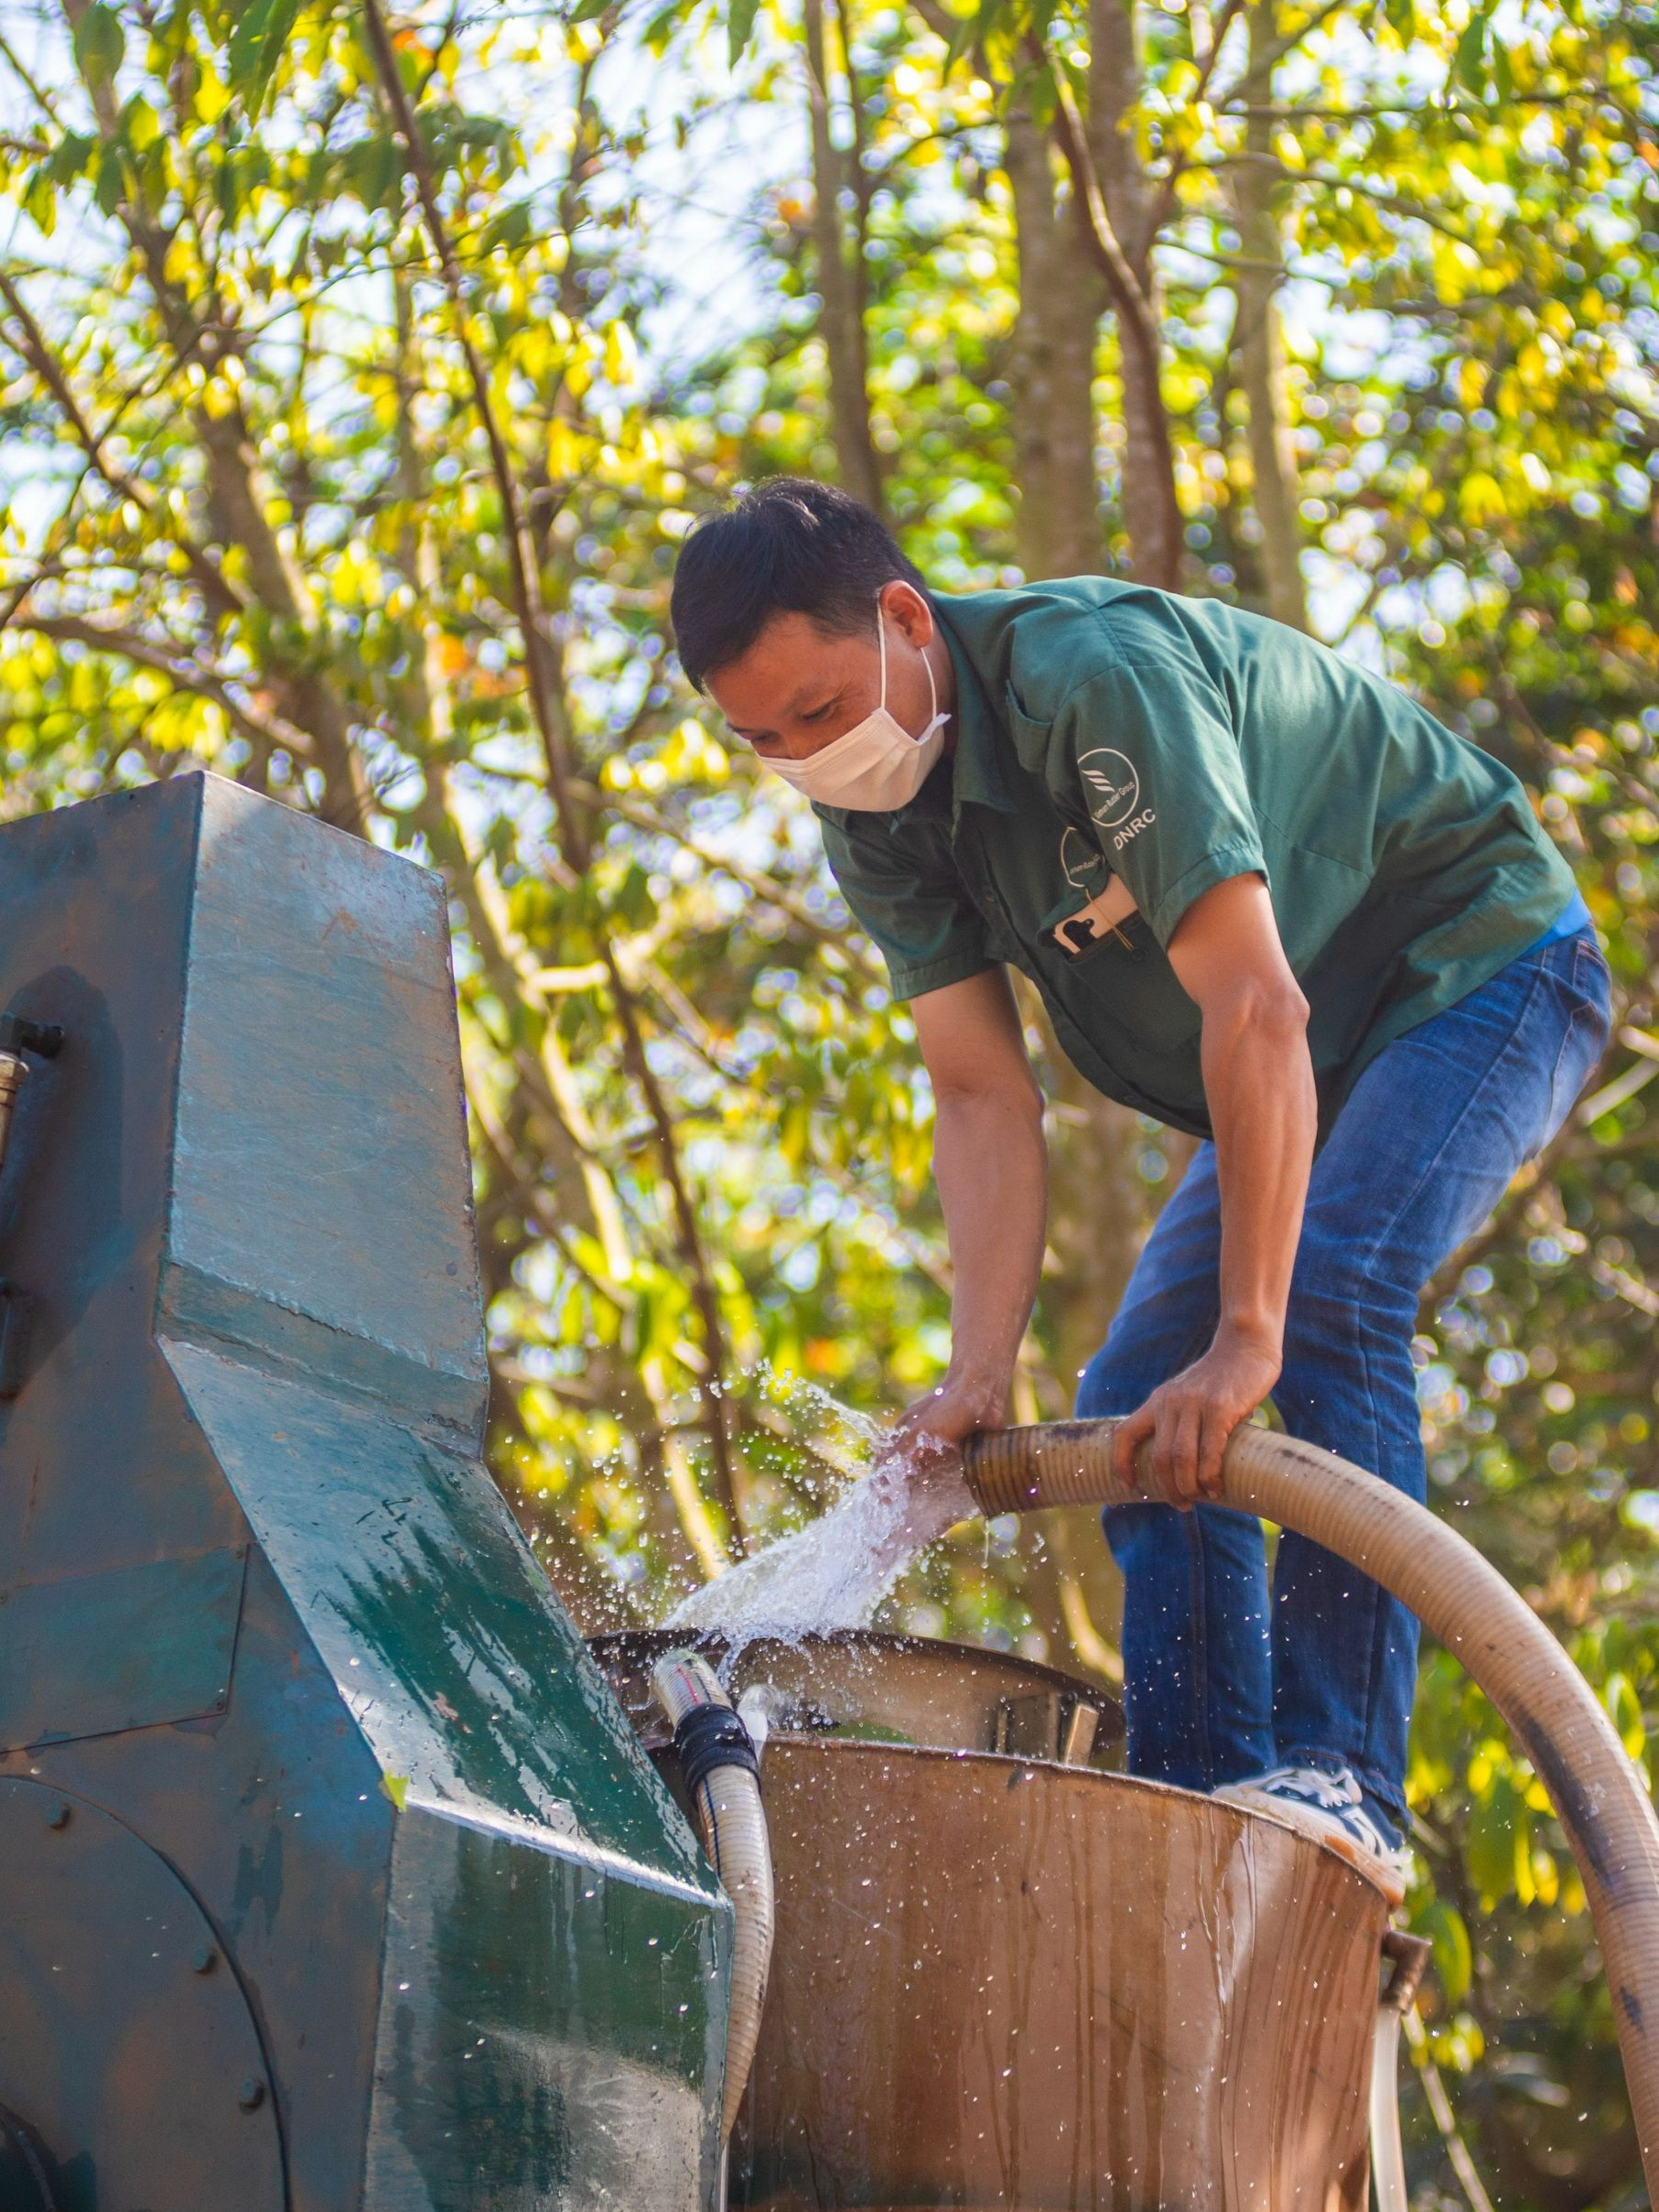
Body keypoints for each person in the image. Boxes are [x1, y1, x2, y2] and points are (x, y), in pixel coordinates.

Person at [669, 476, 1610, 1904]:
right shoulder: (875, 824)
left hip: (1473, 965)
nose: (806, 758)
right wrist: (975, 1375)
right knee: (1133, 1386)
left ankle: (1344, 1785)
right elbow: (982, 1092)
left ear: (907, 620)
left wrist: (1251, 1333)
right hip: (1310, 1043)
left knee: (1330, 1293)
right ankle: (1207, 1802)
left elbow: (1256, 1011)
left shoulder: (1090, 684)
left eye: (817, 710)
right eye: (762, 741)